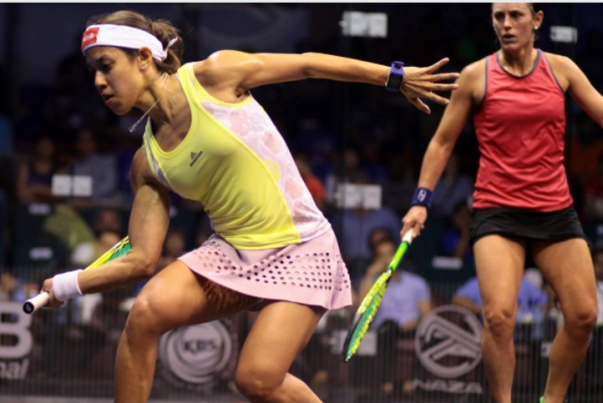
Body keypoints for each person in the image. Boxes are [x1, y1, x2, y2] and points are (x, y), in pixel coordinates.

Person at [39, 10, 457, 403]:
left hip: (300, 247)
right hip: (231, 254)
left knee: (257, 380)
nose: (98, 81)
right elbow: (141, 261)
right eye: (93, 70)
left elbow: (308, 63)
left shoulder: (214, 76)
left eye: (106, 65)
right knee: (145, 312)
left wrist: (395, 76)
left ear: (145, 58)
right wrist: (67, 284)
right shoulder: (146, 164)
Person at [400, 4, 600, 403]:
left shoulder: (561, 69)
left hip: (555, 211)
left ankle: (551, 399)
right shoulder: (477, 75)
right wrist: (421, 201)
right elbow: (442, 142)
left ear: (537, 19)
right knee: (498, 317)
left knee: (582, 316)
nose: (506, 25)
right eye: (498, 17)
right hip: (498, 212)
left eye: (516, 15)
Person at [358, 238, 431, 395]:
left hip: (413, 327)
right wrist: (370, 273)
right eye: (381, 255)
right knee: (388, 328)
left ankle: (413, 381)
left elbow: (428, 314)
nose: (387, 259)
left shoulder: (417, 282)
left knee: (431, 334)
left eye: (390, 254)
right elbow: (361, 308)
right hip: (385, 330)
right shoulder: (373, 281)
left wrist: (417, 321)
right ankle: (386, 382)